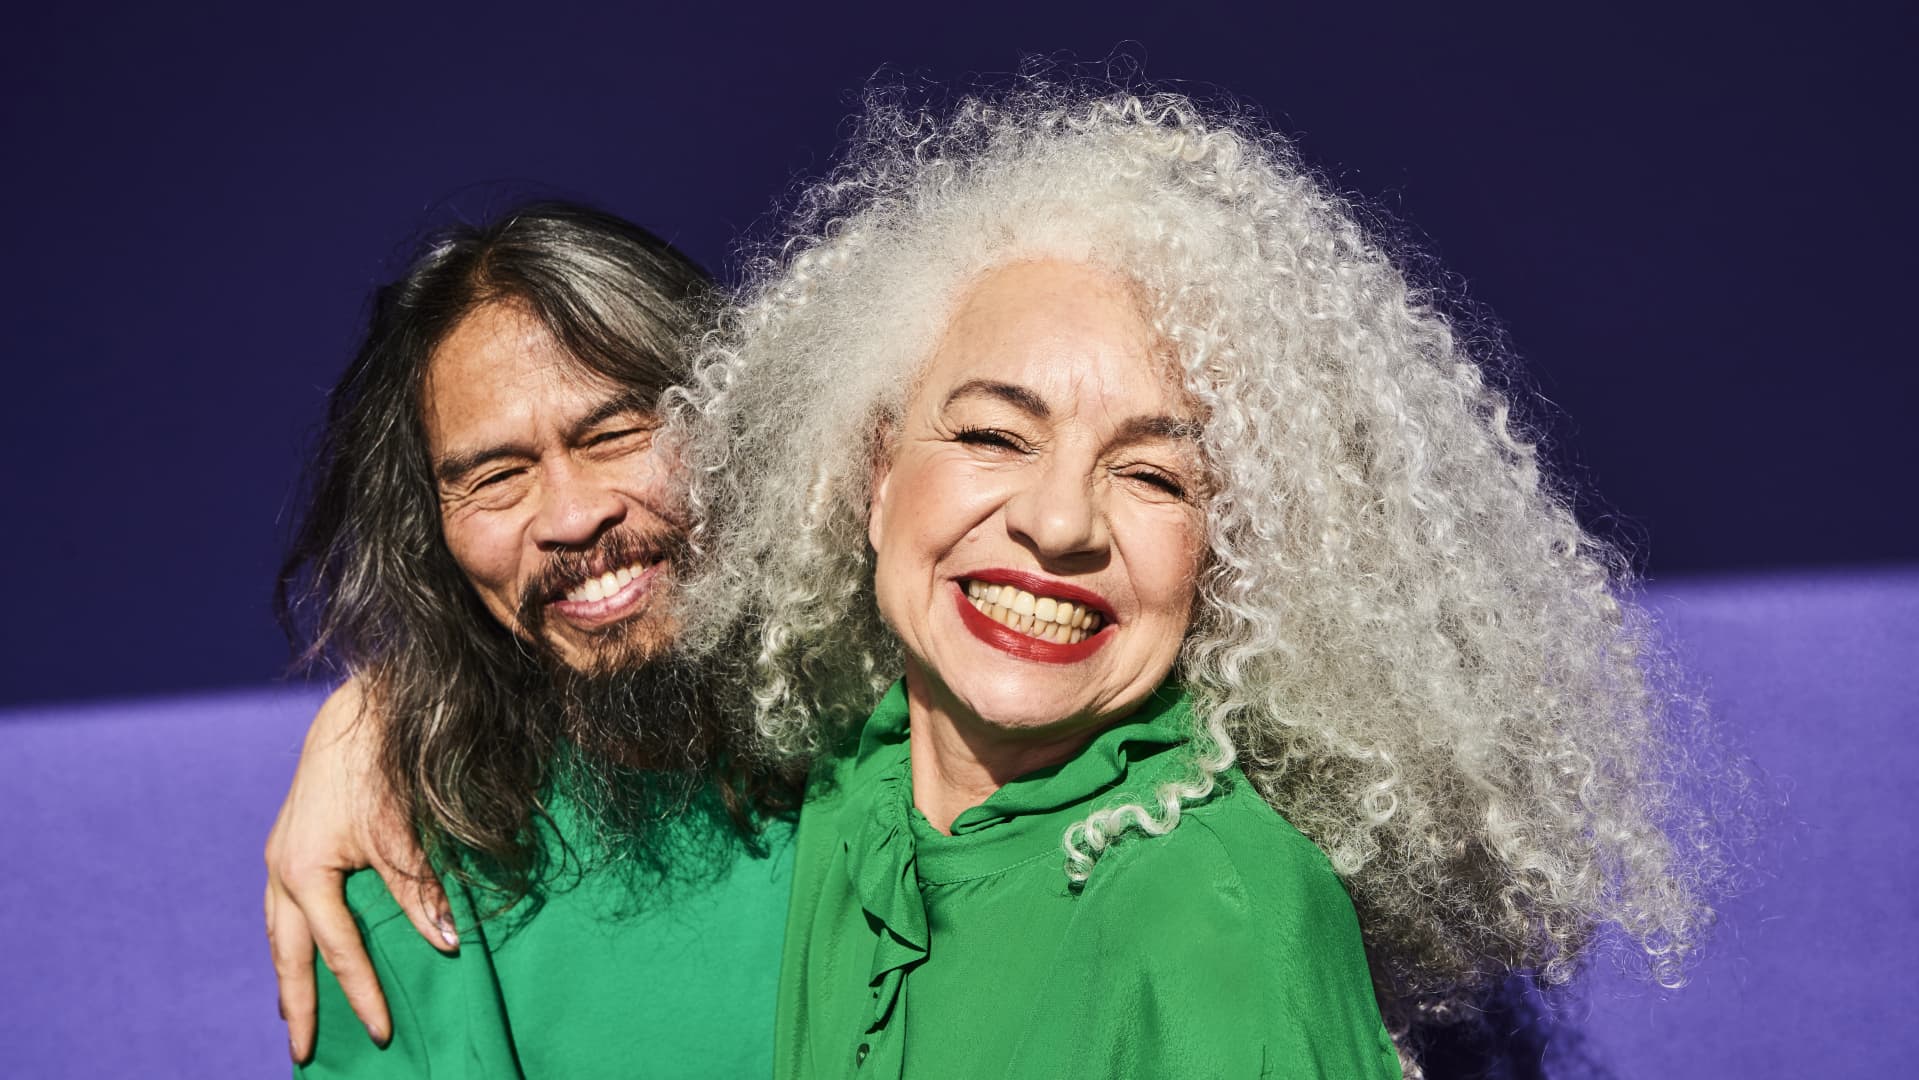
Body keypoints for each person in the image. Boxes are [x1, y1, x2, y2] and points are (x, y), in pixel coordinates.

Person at [666, 87, 1732, 1076]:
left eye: (1153, 476)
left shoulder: (1214, 916)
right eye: (993, 435)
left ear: (1230, 557)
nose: (1059, 523)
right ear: (876, 475)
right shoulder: (847, 783)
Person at [267, 201, 798, 1076]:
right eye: (496, 477)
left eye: (617, 434)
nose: (572, 516)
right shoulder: (407, 880)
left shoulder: (925, 745)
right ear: (431, 531)